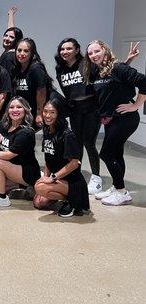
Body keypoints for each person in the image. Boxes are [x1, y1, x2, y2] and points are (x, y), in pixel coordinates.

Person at [84, 40, 146, 206]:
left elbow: (144, 82)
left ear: (104, 50)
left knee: (106, 153)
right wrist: (128, 62)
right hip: (111, 119)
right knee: (116, 153)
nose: (93, 55)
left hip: (125, 118)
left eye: (96, 51)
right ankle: (115, 186)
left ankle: (121, 191)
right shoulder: (100, 72)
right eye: (90, 53)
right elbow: (115, 84)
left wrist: (136, 105)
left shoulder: (118, 68)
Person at [55, 38, 102, 194]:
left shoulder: (87, 64)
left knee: (89, 143)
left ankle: (96, 179)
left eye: (69, 48)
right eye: (62, 49)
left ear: (77, 50)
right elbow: (66, 91)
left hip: (91, 109)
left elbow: (105, 77)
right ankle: (77, 174)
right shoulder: (60, 68)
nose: (65, 52)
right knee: (77, 144)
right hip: (75, 110)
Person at [0, 96, 40, 208]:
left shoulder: (26, 132)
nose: (15, 110)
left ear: (25, 110)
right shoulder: (6, 122)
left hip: (26, 170)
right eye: (11, 107)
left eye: (19, 107)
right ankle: (20, 185)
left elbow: (9, 155)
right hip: (10, 168)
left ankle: (2, 198)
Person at [33, 99, 89, 217]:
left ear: (59, 114)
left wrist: (52, 178)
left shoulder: (67, 135)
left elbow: (74, 163)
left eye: (52, 112)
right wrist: (45, 177)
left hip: (73, 182)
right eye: (45, 111)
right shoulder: (47, 130)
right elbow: (48, 159)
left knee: (40, 188)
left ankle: (73, 201)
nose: (47, 115)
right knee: (38, 202)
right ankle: (62, 197)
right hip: (59, 180)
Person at [10, 38, 54, 129]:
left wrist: (39, 114)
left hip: (39, 111)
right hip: (26, 111)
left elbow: (41, 92)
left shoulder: (36, 68)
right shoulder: (16, 68)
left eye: (26, 51)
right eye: (19, 50)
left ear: (32, 53)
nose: (21, 53)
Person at [0, 7, 23, 74]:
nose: (7, 38)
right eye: (6, 35)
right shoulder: (12, 51)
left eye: (11, 37)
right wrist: (11, 15)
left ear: (16, 40)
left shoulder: (9, 56)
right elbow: (11, 30)